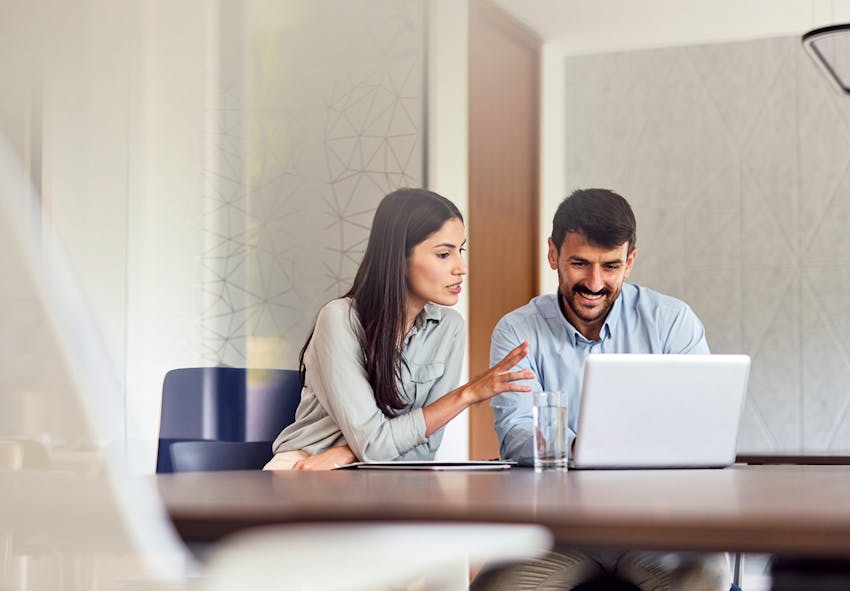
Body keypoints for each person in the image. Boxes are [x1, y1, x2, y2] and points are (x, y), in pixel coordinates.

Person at [476, 188, 730, 590]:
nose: (594, 283)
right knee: (498, 586)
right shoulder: (517, 330)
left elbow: (700, 430)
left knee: (706, 579)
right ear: (553, 254)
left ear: (630, 261)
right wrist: (584, 448)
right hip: (560, 534)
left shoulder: (671, 322)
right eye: (580, 263)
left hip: (657, 529)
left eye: (610, 266)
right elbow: (516, 432)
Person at [263, 188, 534, 471]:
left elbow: (424, 449)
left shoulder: (449, 328)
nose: (461, 267)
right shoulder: (339, 319)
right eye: (444, 254)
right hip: (308, 468)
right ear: (398, 257)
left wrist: (348, 453)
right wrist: (466, 394)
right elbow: (374, 445)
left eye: (460, 250)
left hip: (385, 471)